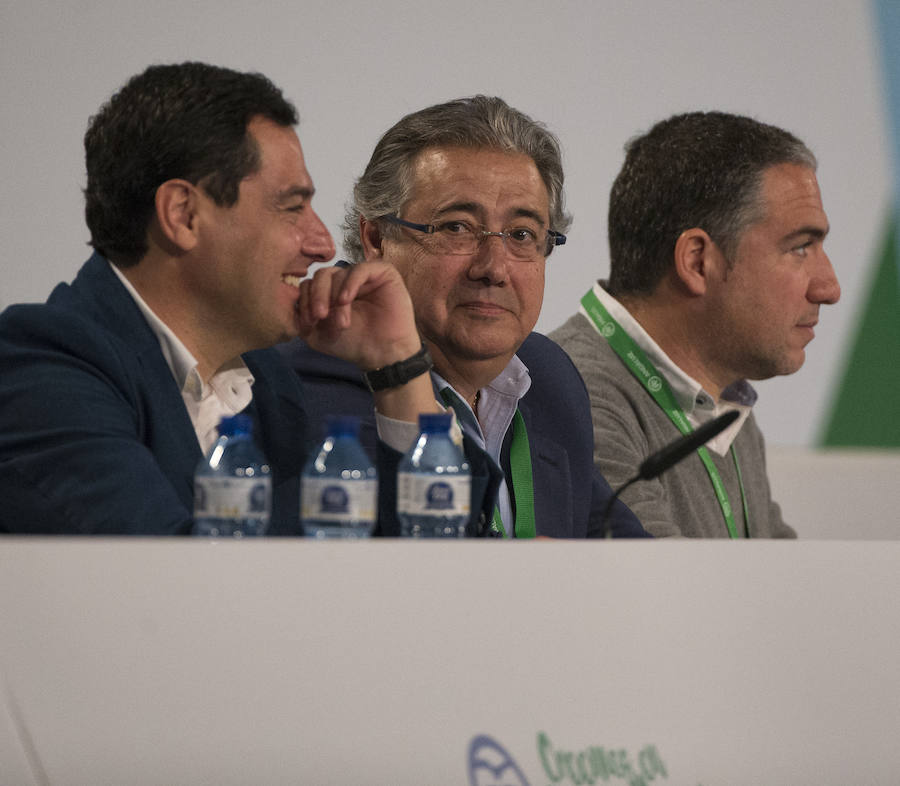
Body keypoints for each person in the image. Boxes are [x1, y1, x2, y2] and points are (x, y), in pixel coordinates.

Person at [0, 62, 494, 535]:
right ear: (183, 215)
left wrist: (397, 369)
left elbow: (411, 567)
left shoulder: (268, 385)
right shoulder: (45, 370)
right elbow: (161, 584)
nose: (322, 243)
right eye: (292, 206)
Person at [281, 96, 647, 538]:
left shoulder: (549, 381)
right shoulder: (309, 378)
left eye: (522, 235)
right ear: (376, 237)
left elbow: (631, 559)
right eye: (456, 227)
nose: (493, 268)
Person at [549, 111, 841, 538]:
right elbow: (664, 593)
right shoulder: (575, 395)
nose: (829, 288)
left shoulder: (724, 407)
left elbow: (784, 582)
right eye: (800, 248)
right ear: (697, 261)